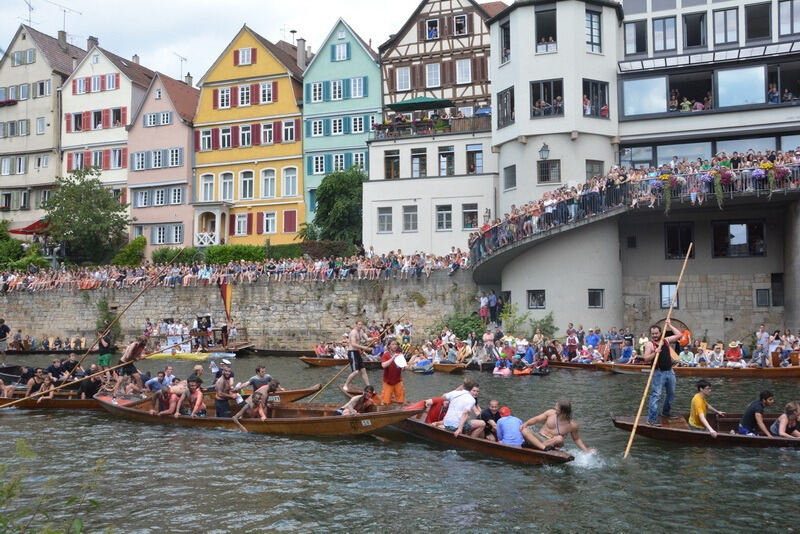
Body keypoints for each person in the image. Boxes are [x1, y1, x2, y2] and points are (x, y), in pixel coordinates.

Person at [644, 320, 682, 426]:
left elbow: (679, 335)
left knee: (671, 393)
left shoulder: (666, 340)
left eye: (656, 333)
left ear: (660, 333)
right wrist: (654, 353)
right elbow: (646, 359)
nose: (655, 335)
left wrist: (670, 325)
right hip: (658, 373)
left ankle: (665, 413)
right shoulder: (649, 344)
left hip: (670, 371)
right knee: (656, 396)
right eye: (653, 334)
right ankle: (651, 420)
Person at [520, 399, 596, 453]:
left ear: (562, 411)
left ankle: (534, 445)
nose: (555, 408)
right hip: (540, 438)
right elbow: (536, 419)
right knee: (524, 430)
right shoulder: (550, 413)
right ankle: (542, 447)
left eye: (557, 407)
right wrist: (526, 423)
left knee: (559, 438)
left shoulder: (572, 425)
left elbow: (577, 439)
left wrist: (586, 450)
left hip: (553, 443)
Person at [343, 320, 372, 391]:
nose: (360, 326)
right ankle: (345, 385)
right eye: (359, 324)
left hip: (357, 352)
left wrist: (374, 338)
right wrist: (364, 348)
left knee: (363, 370)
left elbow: (367, 339)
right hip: (352, 352)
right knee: (355, 372)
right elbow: (353, 344)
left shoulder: (361, 331)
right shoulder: (353, 333)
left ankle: (368, 386)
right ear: (356, 325)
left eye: (361, 325)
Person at [380, 339, 405, 404]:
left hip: (398, 380)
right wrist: (392, 358)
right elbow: (383, 365)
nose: (395, 346)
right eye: (393, 344)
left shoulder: (400, 355)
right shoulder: (386, 355)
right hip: (388, 381)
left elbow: (402, 368)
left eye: (396, 344)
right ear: (389, 346)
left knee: (401, 400)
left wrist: (404, 367)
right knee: (386, 401)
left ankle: (400, 411)